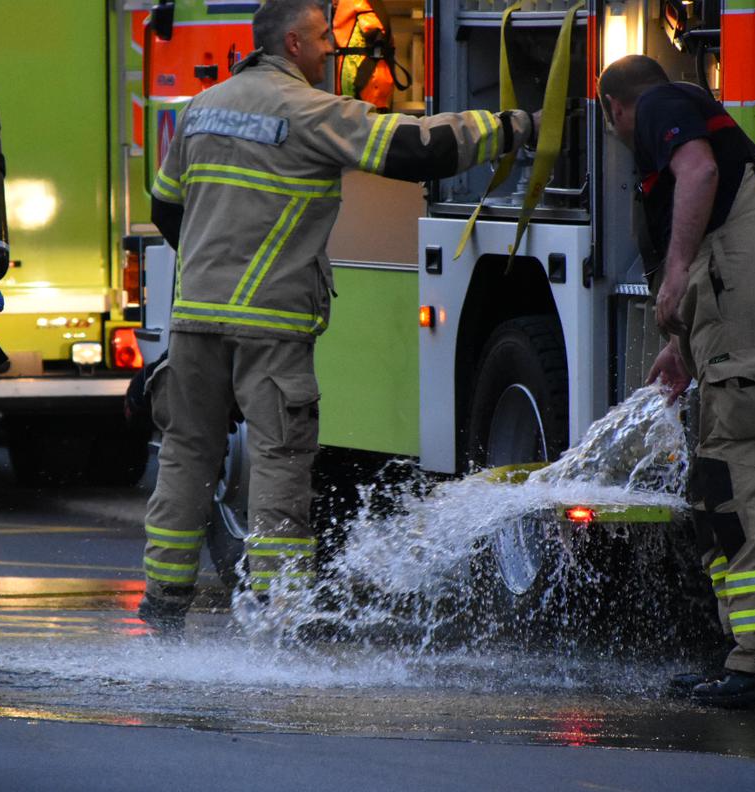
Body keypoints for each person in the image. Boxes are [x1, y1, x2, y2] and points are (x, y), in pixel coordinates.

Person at [137, 0, 534, 632]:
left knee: (188, 451)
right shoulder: (310, 112)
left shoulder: (200, 108)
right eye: (325, 38)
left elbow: (165, 210)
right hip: (271, 320)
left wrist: (215, 271)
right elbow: (416, 148)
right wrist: (513, 127)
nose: (334, 51)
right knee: (279, 455)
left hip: (195, 319)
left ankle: (163, 604)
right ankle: (278, 609)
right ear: (292, 43)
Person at [601, 55, 755, 706]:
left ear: (612, 105)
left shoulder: (657, 104)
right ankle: (746, 653)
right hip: (752, 298)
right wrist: (679, 345)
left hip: (748, 296)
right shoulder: (698, 113)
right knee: (716, 478)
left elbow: (695, 169)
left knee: (745, 474)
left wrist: (673, 275)